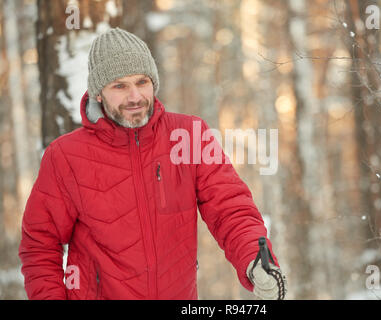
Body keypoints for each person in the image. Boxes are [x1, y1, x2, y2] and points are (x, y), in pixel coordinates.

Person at [18, 27, 286, 300]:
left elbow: (231, 209)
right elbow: (40, 246)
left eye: (142, 82)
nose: (135, 97)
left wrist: (255, 260)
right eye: (120, 86)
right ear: (98, 93)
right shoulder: (65, 156)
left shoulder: (190, 136)